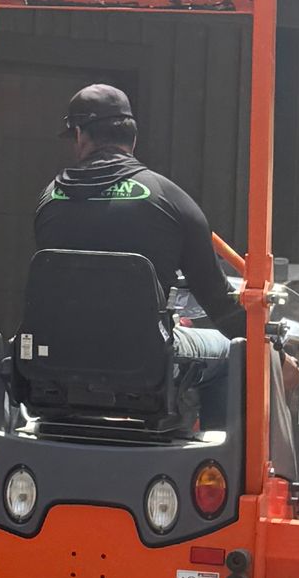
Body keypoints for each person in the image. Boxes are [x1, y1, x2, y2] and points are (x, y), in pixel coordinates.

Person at [34, 84, 243, 414]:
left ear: (78, 135)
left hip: (62, 358)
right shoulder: (169, 198)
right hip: (144, 363)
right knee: (234, 352)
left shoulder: (50, 199)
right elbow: (217, 301)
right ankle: (219, 462)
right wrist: (270, 350)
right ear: (133, 137)